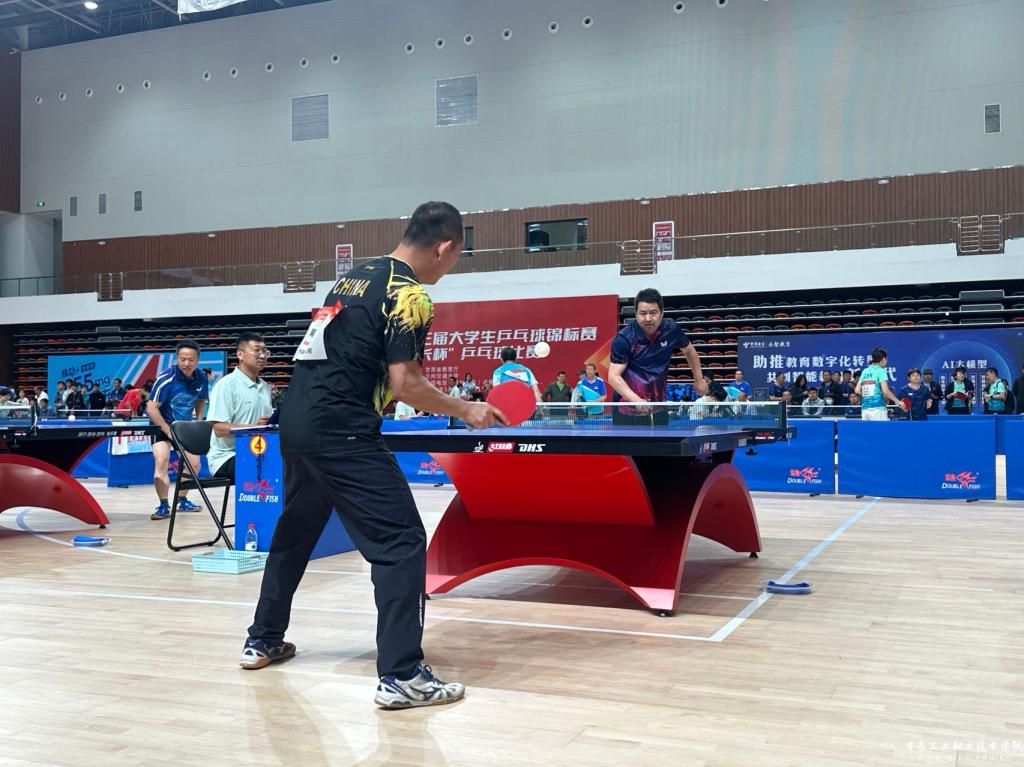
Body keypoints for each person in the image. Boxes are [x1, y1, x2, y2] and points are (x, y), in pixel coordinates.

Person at [244, 201, 504, 709]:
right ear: (445, 247)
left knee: (295, 535)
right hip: (341, 429)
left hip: (295, 421)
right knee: (402, 541)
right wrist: (465, 408)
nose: (450, 268)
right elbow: (406, 385)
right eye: (456, 257)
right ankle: (403, 674)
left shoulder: (353, 278)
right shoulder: (410, 295)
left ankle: (263, 639)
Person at [607, 288, 707, 424]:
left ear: (662, 313)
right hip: (627, 408)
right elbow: (613, 376)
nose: (648, 318)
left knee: (661, 438)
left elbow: (690, 351)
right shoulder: (624, 339)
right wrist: (636, 400)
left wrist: (699, 380)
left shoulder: (671, 330)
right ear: (636, 314)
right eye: (643, 313)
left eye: (653, 313)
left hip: (658, 405)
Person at [147, 341, 209, 520]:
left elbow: (201, 399)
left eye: (191, 360)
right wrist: (167, 431)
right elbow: (151, 408)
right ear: (177, 359)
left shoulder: (201, 377)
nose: (186, 363)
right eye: (183, 359)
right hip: (161, 426)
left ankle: (182, 499)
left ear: (197, 360)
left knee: (194, 464)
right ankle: (163, 505)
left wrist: (198, 421)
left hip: (183, 427)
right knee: (162, 460)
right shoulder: (167, 378)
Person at [206, 333, 274, 479]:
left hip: (257, 450)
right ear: (240, 354)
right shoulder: (226, 385)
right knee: (267, 465)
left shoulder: (264, 387)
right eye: (257, 351)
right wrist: (253, 428)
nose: (262, 356)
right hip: (227, 456)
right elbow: (219, 429)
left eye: (265, 351)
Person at [855, 347, 906, 421]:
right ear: (883, 359)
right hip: (878, 409)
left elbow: (857, 390)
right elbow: (885, 391)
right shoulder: (881, 371)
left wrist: (868, 396)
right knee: (881, 429)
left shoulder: (865, 371)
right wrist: (897, 401)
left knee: (868, 429)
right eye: (886, 359)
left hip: (865, 409)